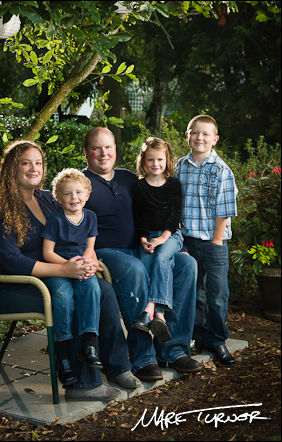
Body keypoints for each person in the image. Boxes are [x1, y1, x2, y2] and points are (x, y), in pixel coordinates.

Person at [0, 140, 141, 402]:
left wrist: (86, 261)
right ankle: (82, 385)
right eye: (26, 163)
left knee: (103, 290)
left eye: (38, 163)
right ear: (11, 169)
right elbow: (10, 260)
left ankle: (116, 366)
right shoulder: (0, 208)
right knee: (74, 298)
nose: (34, 168)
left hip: (54, 273)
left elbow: (75, 236)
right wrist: (64, 269)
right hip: (10, 284)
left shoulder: (46, 199)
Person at [83, 127, 203, 382]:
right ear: (86, 152)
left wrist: (164, 239)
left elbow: (160, 207)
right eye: (97, 148)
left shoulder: (129, 179)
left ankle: (173, 349)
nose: (104, 153)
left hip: (145, 246)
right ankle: (143, 358)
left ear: (115, 149)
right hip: (108, 252)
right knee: (134, 269)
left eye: (108, 147)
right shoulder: (81, 183)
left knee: (187, 264)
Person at [175, 114, 238, 365]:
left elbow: (224, 212)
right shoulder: (180, 166)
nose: (199, 137)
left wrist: (214, 243)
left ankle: (217, 339)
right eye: (194, 132)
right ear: (187, 136)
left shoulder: (221, 169)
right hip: (188, 240)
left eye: (205, 134)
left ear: (215, 139)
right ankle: (198, 335)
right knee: (196, 293)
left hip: (214, 241)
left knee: (217, 294)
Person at [41, 168, 102, 385]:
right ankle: (63, 355)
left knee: (93, 289)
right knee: (62, 295)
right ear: (58, 198)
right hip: (59, 267)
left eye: (78, 192)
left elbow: (89, 247)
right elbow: (47, 252)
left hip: (81, 266)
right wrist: (67, 267)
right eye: (67, 194)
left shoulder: (91, 217)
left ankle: (89, 344)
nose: (74, 197)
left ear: (87, 194)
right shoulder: (56, 220)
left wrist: (86, 265)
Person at [131, 137, 184, 344]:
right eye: (150, 160)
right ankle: (160, 317)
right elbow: (140, 217)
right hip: (149, 236)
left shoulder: (173, 185)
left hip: (172, 235)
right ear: (143, 161)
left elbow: (174, 217)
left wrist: (163, 238)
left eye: (160, 160)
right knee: (145, 266)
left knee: (162, 258)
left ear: (167, 160)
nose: (155, 164)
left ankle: (149, 310)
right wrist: (144, 239)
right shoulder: (138, 187)